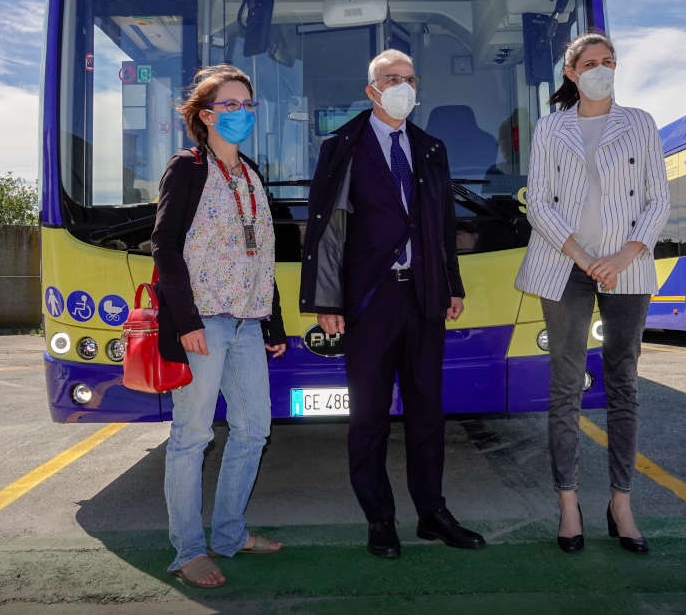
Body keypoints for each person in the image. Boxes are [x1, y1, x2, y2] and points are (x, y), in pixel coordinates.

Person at [299, 49, 485, 558]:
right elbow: (326, 227)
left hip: (423, 296)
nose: (402, 86)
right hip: (368, 300)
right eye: (391, 78)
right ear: (371, 90)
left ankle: (432, 514)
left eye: (409, 78)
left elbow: (442, 224)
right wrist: (325, 299)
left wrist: (452, 285)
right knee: (369, 417)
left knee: (428, 412)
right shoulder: (342, 145)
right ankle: (379, 519)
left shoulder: (429, 147)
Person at [514, 31, 669, 555]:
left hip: (627, 265)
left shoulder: (640, 123)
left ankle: (621, 503)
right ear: (571, 72)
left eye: (609, 61)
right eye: (591, 63)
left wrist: (622, 257)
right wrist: (585, 258)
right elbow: (539, 203)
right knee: (565, 383)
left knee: (624, 380)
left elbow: (657, 200)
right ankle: (568, 503)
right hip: (564, 264)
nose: (601, 69)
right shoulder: (550, 127)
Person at [151, 65, 288, 588]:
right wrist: (185, 321)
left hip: (248, 321)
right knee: (192, 437)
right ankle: (188, 552)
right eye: (230, 105)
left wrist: (273, 324)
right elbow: (165, 246)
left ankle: (230, 535)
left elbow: (263, 253)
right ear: (206, 116)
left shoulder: (250, 173)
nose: (242, 113)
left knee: (253, 429)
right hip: (203, 321)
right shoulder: (187, 168)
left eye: (248, 105)